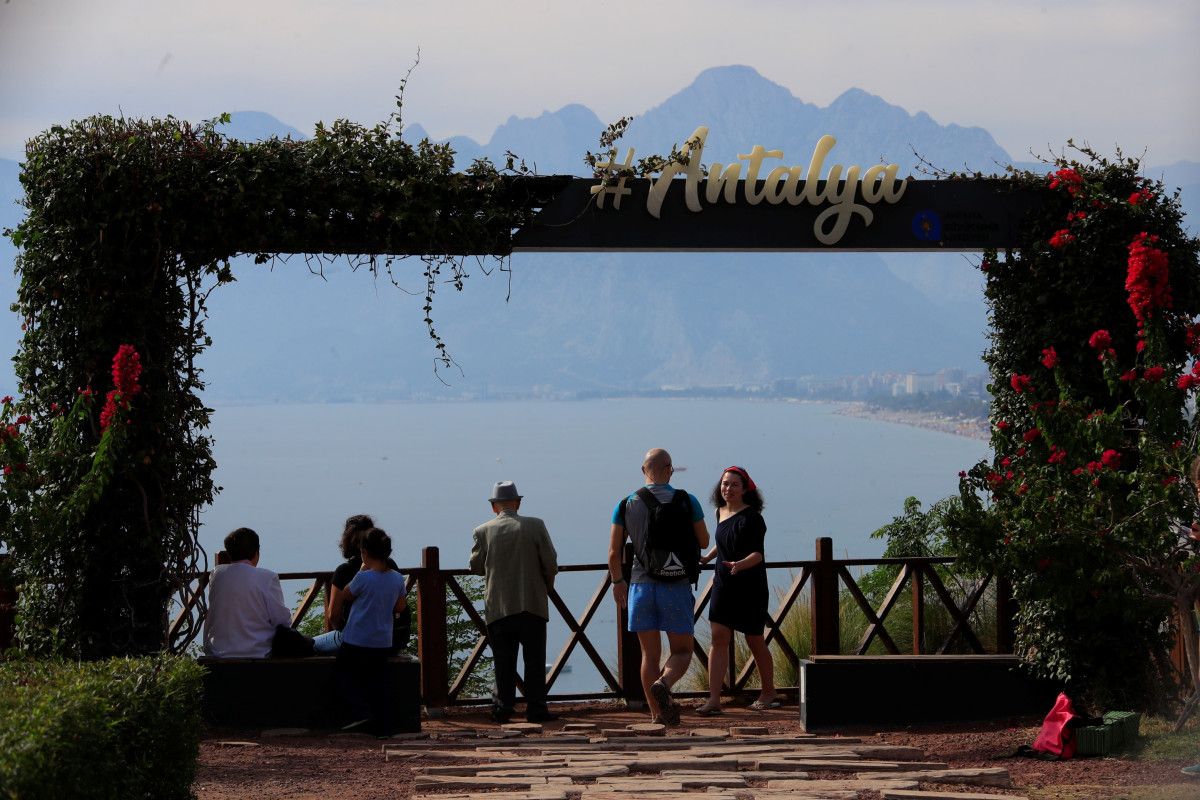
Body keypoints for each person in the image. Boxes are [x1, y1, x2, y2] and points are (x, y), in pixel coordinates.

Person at [609, 448, 709, 725]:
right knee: (682, 651)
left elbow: (613, 552)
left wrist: (618, 582)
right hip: (675, 585)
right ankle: (664, 684)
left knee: (648, 655)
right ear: (670, 469)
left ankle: (656, 714)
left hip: (640, 586)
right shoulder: (687, 501)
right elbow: (703, 541)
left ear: (644, 471)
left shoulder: (626, 504)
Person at [470, 480, 560, 723]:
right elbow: (551, 563)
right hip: (533, 604)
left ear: (493, 507)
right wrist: (545, 585)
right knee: (534, 660)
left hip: (499, 607)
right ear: (518, 503)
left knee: (503, 660)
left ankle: (503, 710)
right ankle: (537, 709)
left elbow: (476, 566)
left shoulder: (483, 531)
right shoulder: (535, 525)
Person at [696, 465, 776, 715]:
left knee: (754, 639)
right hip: (723, 583)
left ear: (744, 490)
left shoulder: (752, 518)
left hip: (749, 585)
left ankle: (769, 692)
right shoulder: (719, 513)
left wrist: (740, 565)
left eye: (733, 485)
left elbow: (758, 554)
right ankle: (714, 699)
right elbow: (723, 542)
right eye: (724, 483)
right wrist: (707, 558)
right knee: (719, 638)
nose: (727, 488)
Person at [330, 527, 407, 736]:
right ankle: (383, 726)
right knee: (378, 683)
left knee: (344, 674)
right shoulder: (397, 579)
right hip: (382, 640)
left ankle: (361, 713)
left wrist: (361, 571)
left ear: (364, 552)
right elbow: (400, 607)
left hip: (356, 638)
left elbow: (345, 595)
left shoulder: (363, 578)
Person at [313, 514, 410, 655]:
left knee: (311, 645)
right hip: (389, 641)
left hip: (356, 641)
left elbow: (334, 616)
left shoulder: (347, 572)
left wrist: (346, 633)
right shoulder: (391, 568)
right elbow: (401, 606)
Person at [203, 527, 292, 658]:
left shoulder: (217, 574)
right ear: (256, 553)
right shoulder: (267, 577)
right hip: (258, 654)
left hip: (217, 654)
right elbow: (282, 621)